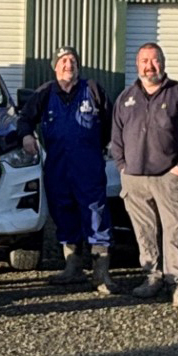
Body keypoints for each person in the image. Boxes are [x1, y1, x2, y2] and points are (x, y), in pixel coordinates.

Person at [110, 42, 178, 308]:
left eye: (154, 60)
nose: (149, 66)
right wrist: (122, 167)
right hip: (134, 179)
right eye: (144, 61)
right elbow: (116, 136)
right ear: (137, 64)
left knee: (175, 232)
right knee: (144, 233)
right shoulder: (126, 98)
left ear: (163, 63)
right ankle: (152, 278)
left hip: (169, 177)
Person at [17, 45, 116, 293]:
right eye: (62, 61)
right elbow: (24, 119)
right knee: (63, 211)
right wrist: (27, 136)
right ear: (55, 67)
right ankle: (73, 268)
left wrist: (105, 146)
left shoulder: (92, 89)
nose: (68, 65)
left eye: (72, 61)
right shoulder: (45, 92)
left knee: (95, 213)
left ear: (78, 66)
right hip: (58, 166)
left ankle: (101, 273)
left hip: (89, 165)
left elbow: (111, 122)